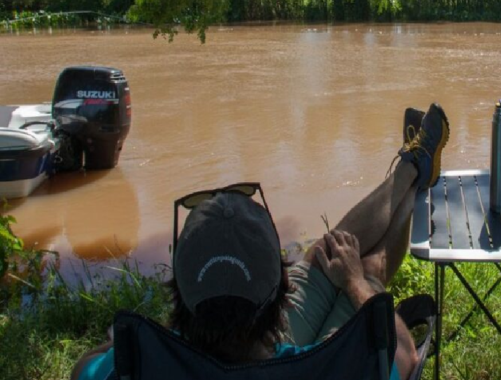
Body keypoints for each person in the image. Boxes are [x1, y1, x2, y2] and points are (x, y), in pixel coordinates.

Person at [71, 103, 450, 380]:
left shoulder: (141, 365)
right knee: (365, 267)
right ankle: (414, 174)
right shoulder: (346, 366)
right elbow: (402, 351)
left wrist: (121, 346)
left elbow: (81, 370)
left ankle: (412, 165)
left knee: (330, 250)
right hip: (303, 357)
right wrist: (354, 284)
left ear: (181, 295)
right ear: (282, 289)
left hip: (214, 353)